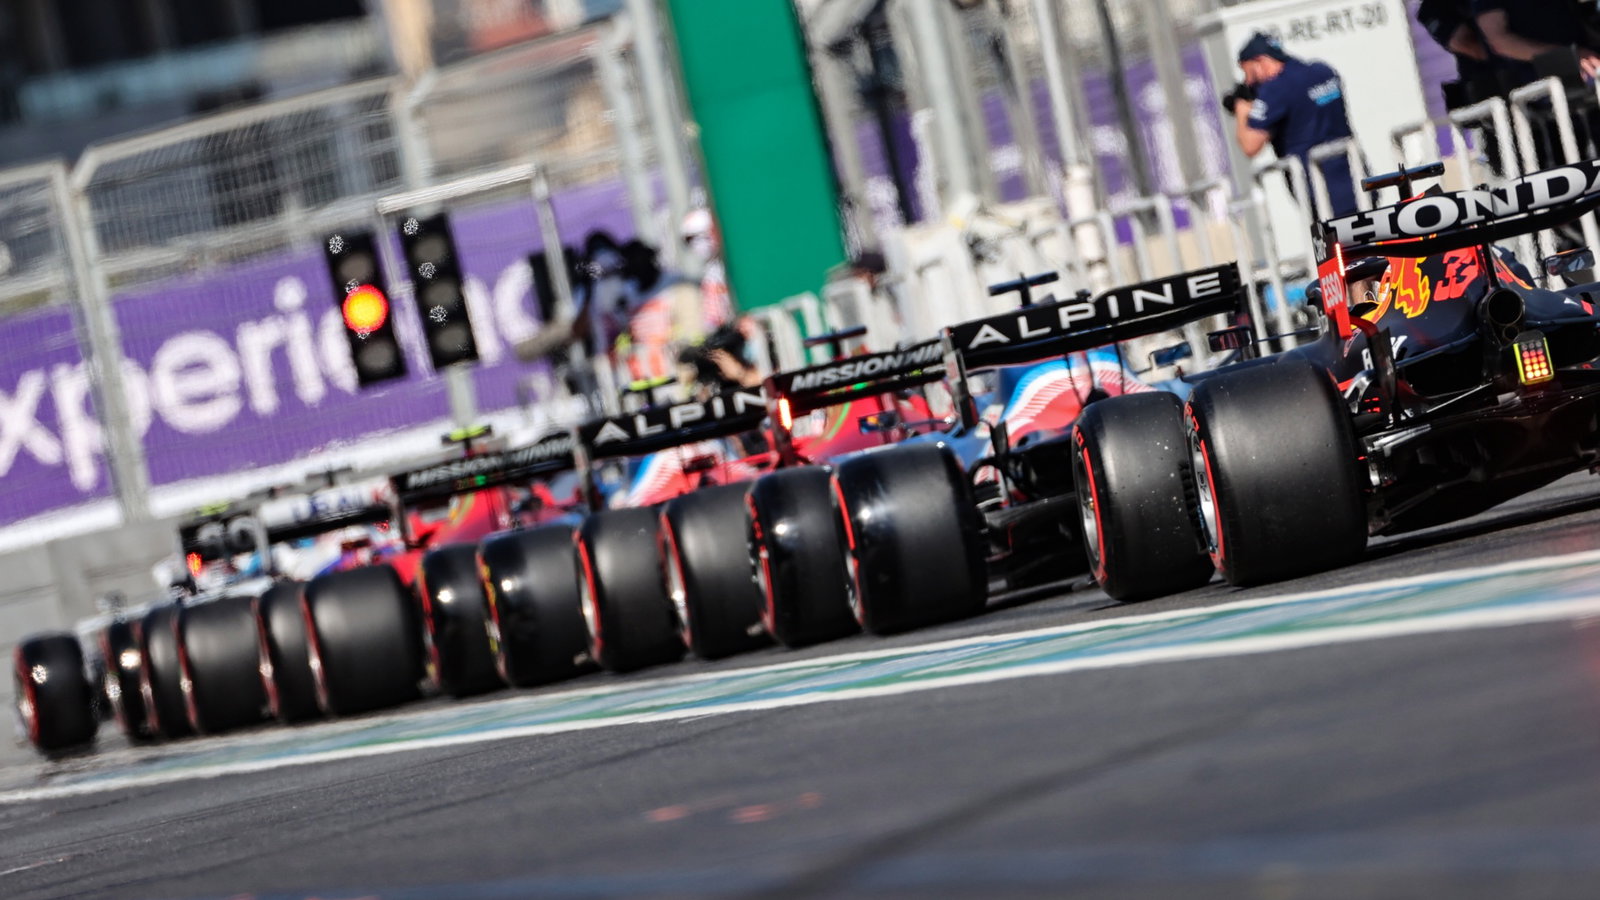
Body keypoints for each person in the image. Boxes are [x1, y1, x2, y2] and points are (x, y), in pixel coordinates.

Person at [1224, 33, 1360, 217]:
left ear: (1260, 62)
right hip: (1357, 180)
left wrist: (1241, 110)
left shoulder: (1275, 90)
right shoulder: (1323, 71)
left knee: (1335, 244)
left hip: (1320, 195)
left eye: (1247, 72)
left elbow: (1250, 146)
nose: (1248, 82)